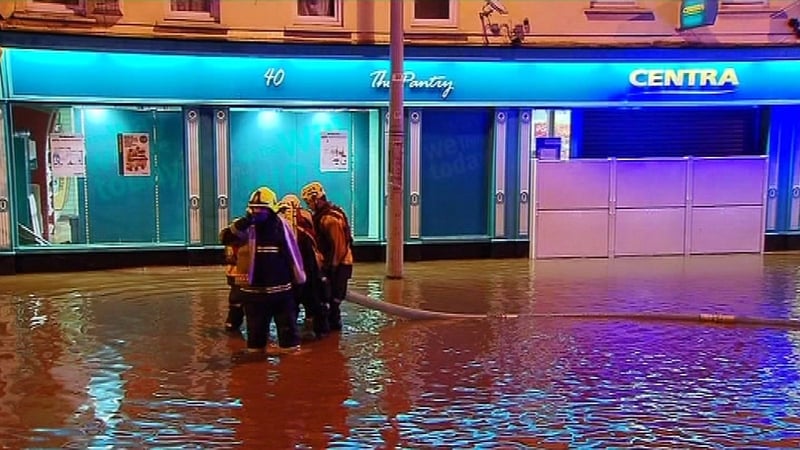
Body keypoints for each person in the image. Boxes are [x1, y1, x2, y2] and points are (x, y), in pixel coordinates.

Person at [223, 186, 306, 353]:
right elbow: (225, 237)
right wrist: (243, 222)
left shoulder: (281, 226)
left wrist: (299, 282)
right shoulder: (246, 227)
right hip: (253, 294)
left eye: (261, 209)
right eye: (254, 209)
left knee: (290, 344)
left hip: (281, 293)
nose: (257, 213)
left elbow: (293, 254)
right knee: (255, 343)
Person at [300, 181, 353, 332]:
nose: (308, 206)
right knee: (327, 300)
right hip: (334, 263)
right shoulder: (324, 215)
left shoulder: (330, 219)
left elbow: (339, 247)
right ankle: (331, 338)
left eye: (308, 202)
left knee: (333, 302)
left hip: (340, 264)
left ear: (316, 200)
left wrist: (331, 270)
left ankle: (332, 335)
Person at [278, 194, 330, 340]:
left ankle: (290, 335)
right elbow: (315, 241)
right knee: (313, 302)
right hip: (309, 269)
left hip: (288, 271)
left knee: (290, 306)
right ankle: (319, 333)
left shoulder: (278, 220)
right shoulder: (307, 217)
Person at [219, 223, 246, 332]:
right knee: (236, 300)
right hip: (237, 274)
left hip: (237, 274)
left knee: (236, 300)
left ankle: (232, 325)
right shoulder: (244, 234)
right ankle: (232, 324)